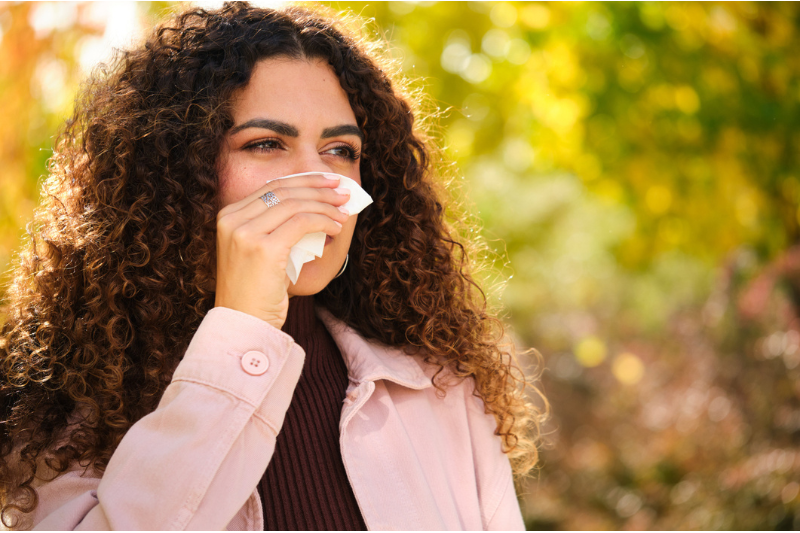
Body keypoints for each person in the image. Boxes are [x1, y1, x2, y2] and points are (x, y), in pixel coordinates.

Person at [0, 2, 544, 530]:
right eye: (266, 144)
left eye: (340, 151)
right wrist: (242, 330)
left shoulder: (440, 392)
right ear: (171, 176)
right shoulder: (62, 413)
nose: (318, 182)